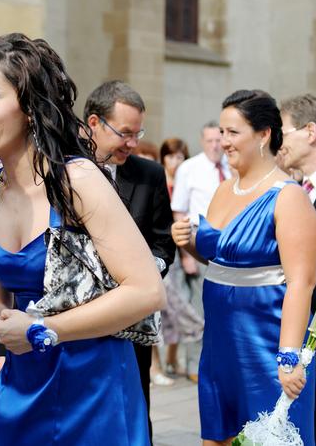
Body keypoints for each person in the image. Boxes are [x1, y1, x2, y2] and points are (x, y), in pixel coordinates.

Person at [0, 34, 166, 445]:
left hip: (94, 386)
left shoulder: (77, 180)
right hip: (24, 380)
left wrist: (43, 329)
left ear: (29, 106)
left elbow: (147, 291)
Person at [172, 90, 316, 445]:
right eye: (222, 132)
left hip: (265, 345)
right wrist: (188, 242)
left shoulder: (289, 196)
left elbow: (302, 282)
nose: (223, 141)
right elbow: (223, 262)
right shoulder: (223, 190)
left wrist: (288, 356)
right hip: (220, 343)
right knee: (218, 437)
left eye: (233, 132)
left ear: (264, 134)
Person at [83, 80, 176, 440]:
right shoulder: (60, 169)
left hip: (129, 326)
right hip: (74, 329)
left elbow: (163, 243)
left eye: (138, 134)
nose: (133, 144)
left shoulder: (149, 175)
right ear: (94, 123)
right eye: (125, 133)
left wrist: (143, 275)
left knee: (132, 413)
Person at [278, 93, 316, 445]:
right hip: (305, 344)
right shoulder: (295, 190)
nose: (278, 142)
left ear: (310, 132)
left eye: (283, 131)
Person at [170, 121, 231, 381]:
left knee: (223, 308)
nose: (215, 146)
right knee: (198, 308)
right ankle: (195, 365)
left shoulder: (231, 166)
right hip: (199, 241)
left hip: (228, 244)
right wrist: (187, 253)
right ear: (202, 141)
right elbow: (179, 211)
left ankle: (221, 362)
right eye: (210, 141)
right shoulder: (189, 168)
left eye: (219, 140)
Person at [158, 138, 204, 379]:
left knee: (183, 301)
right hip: (165, 251)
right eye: (171, 156)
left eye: (180, 156)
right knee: (170, 304)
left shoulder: (185, 181)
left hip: (184, 249)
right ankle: (157, 365)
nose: (175, 161)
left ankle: (174, 359)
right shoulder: (158, 180)